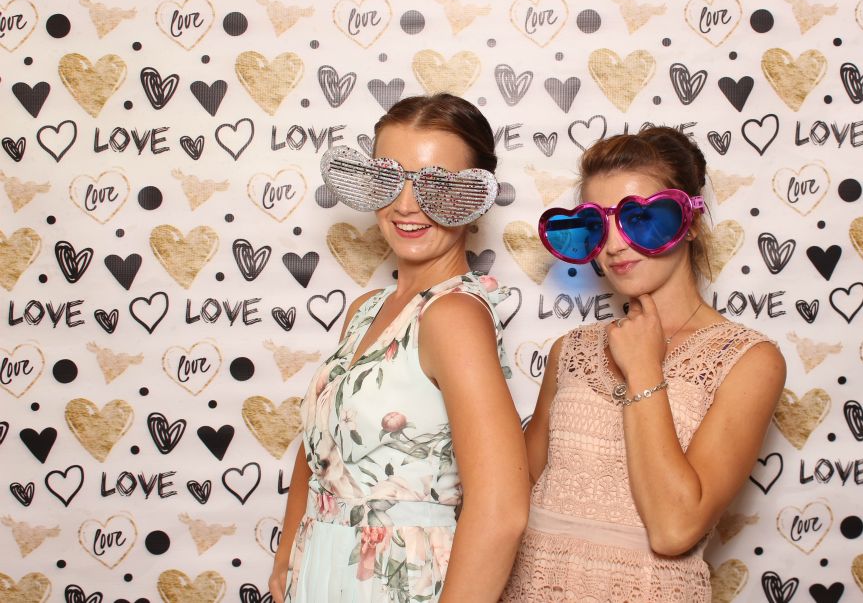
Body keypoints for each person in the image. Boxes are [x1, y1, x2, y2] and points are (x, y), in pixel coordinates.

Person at [502, 127, 786, 601]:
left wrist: (644, 370)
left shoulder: (749, 360)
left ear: (690, 222)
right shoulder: (569, 350)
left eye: (640, 219)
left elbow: (675, 529)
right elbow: (514, 499)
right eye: (597, 225)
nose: (614, 245)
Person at [270, 94, 530, 602]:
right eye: (390, 179)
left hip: (397, 580)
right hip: (321, 567)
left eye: (437, 185)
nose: (407, 204)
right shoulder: (366, 309)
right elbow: (320, 450)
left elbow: (501, 511)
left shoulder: (453, 316)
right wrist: (287, 558)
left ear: (476, 199)